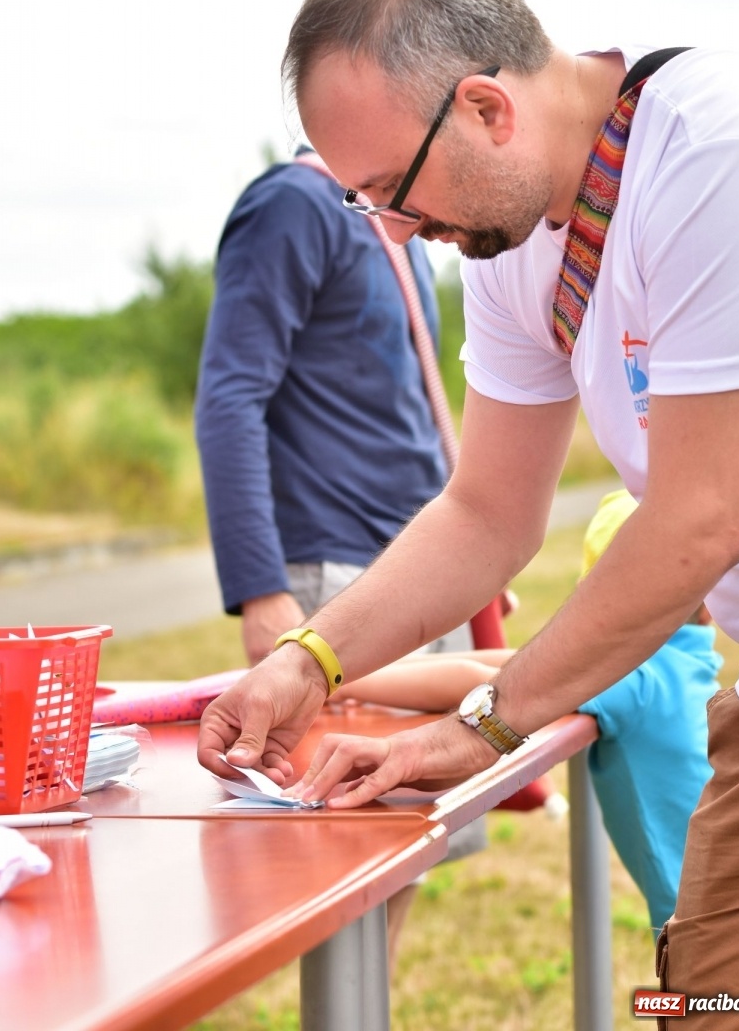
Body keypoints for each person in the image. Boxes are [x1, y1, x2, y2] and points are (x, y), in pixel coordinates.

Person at [197, 0, 739, 1023]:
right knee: (719, 997)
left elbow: (701, 522)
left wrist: (487, 720)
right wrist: (310, 655)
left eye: (390, 191)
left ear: (485, 108)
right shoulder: (516, 233)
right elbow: (484, 512)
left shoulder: (721, 153)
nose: (398, 233)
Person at [194, 146, 484, 971]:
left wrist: (473, 573)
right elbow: (231, 393)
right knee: (346, 846)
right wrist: (260, 589)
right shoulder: (294, 206)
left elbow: (406, 400)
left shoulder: (403, 227)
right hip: (336, 568)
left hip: (417, 565)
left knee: (409, 841)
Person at [327, 488, 721, 939]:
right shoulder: (682, 660)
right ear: (709, 605)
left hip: (705, 922)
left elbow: (480, 681)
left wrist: (343, 683)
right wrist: (343, 673)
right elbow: (507, 665)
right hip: (726, 898)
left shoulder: (636, 676)